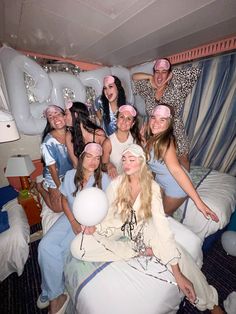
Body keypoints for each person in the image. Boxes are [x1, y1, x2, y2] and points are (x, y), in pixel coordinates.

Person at [71, 144, 223, 314]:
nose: (126, 163)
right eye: (124, 159)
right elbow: (107, 216)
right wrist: (93, 226)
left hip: (143, 227)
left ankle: (210, 302)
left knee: (175, 251)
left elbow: (161, 226)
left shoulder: (152, 188)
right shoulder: (116, 185)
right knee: (78, 247)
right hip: (117, 228)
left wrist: (177, 274)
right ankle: (138, 251)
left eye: (131, 159)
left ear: (141, 162)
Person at [37, 142, 110, 313]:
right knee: (45, 246)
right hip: (69, 218)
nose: (93, 161)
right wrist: (72, 222)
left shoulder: (104, 179)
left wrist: (96, 225)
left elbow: (108, 207)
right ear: (82, 157)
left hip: (90, 223)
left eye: (97, 158)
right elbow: (63, 199)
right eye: (89, 156)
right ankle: (54, 291)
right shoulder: (70, 175)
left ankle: (54, 294)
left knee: (62, 250)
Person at [145, 103, 219, 220]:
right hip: (161, 180)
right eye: (154, 117)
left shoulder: (166, 143)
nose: (156, 123)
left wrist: (199, 203)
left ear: (169, 123)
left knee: (161, 217)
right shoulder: (151, 134)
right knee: (150, 208)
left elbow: (177, 171)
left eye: (162, 120)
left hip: (176, 186)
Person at [132, 58, 202, 171]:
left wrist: (170, 76)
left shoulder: (176, 88)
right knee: (158, 160)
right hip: (154, 130)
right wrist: (150, 77)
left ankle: (186, 181)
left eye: (164, 72)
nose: (160, 76)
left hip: (174, 131)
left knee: (182, 158)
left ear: (169, 74)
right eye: (157, 72)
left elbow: (194, 72)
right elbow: (134, 76)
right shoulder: (149, 90)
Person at [37, 105, 73, 213]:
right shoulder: (48, 142)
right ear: (49, 122)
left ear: (64, 116)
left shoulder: (72, 132)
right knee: (58, 208)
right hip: (55, 176)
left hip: (71, 173)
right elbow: (52, 169)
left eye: (57, 114)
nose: (55, 118)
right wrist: (61, 188)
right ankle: (40, 188)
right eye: (51, 117)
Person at [102, 104, 142, 178]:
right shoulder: (108, 142)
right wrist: (109, 165)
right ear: (116, 119)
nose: (124, 121)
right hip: (116, 181)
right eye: (121, 117)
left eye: (129, 119)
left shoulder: (136, 140)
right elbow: (102, 164)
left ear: (132, 124)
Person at [65, 101, 106, 168]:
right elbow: (75, 163)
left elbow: (105, 159)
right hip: (82, 173)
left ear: (75, 115)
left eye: (66, 114)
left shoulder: (98, 134)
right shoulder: (69, 135)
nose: (64, 117)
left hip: (99, 171)